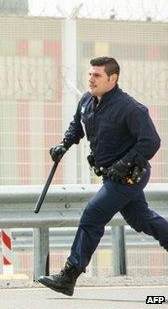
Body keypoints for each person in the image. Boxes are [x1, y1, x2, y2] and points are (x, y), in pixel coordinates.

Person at [37, 56, 167, 296]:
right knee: (141, 219)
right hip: (110, 176)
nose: (91, 79)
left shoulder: (130, 108)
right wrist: (63, 146)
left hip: (129, 176)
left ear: (112, 78)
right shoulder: (86, 101)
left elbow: (151, 141)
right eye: (90, 74)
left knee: (93, 213)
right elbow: (77, 126)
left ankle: (69, 274)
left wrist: (125, 162)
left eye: (97, 75)